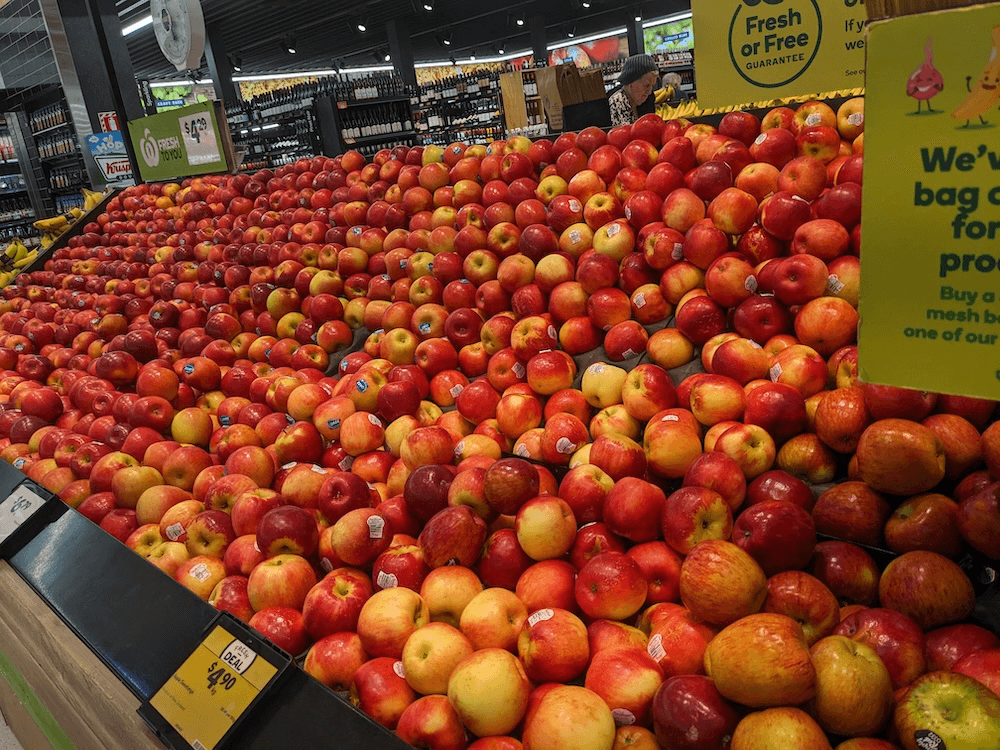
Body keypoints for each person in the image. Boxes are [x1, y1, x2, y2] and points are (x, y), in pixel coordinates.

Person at [609, 54, 660, 126]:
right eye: (646, 85)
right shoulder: (617, 102)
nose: (649, 91)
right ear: (631, 82)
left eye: (652, 86)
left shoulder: (649, 99)